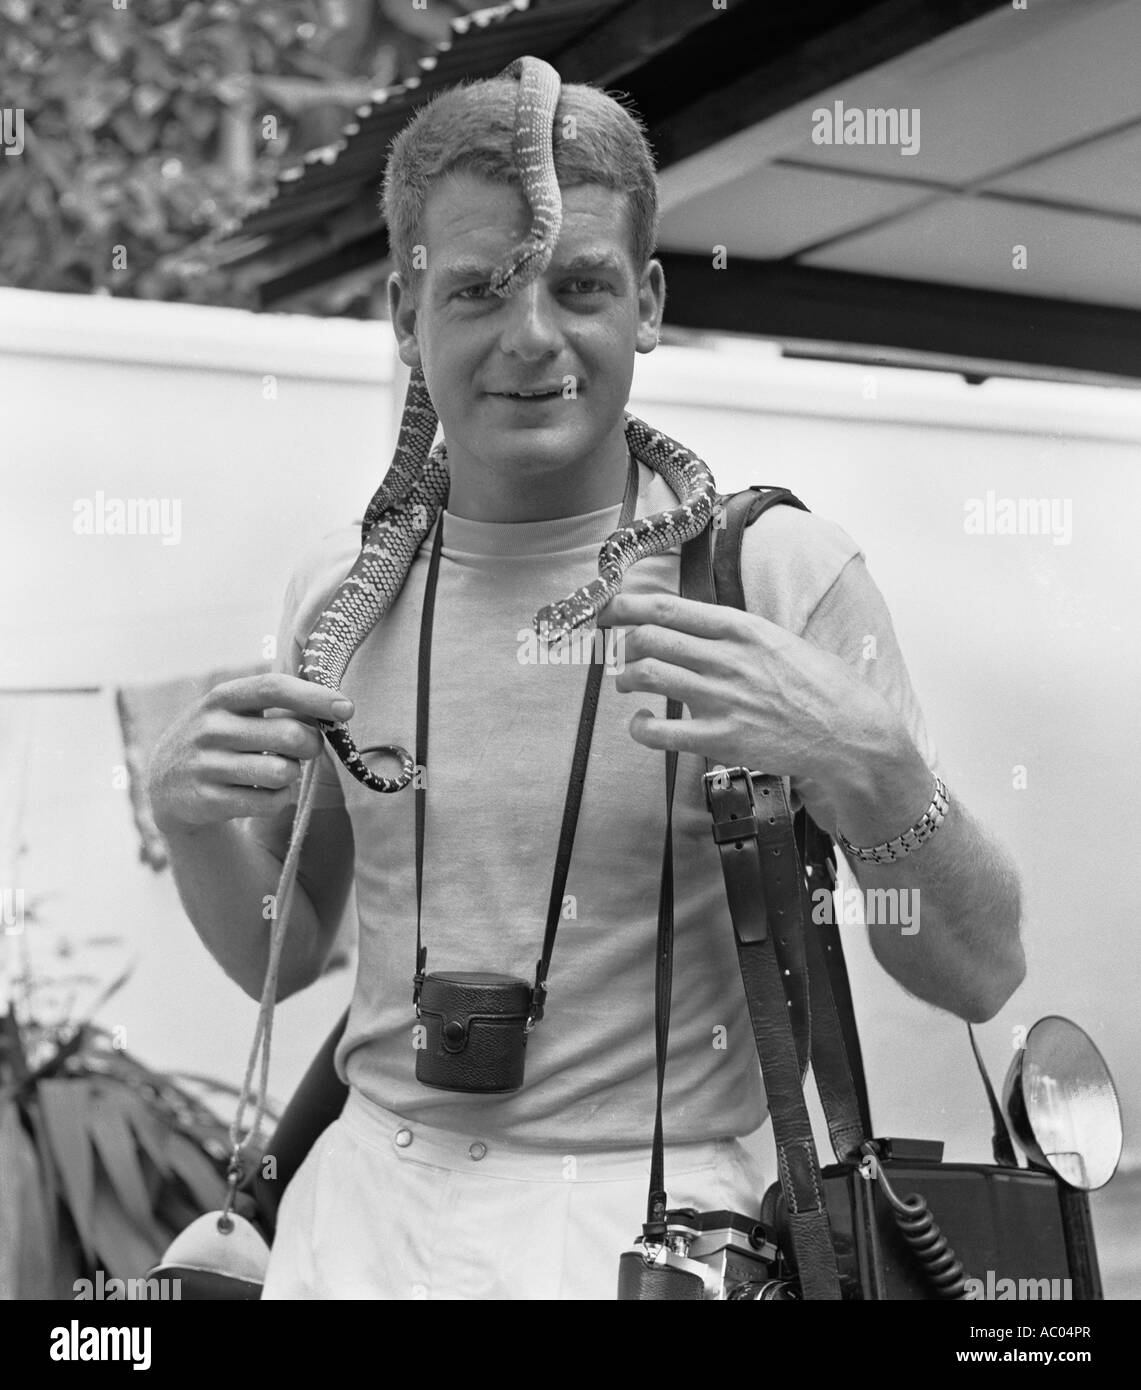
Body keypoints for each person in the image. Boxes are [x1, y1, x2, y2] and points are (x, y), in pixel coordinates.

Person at [147, 67, 1024, 1300]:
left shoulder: (770, 574)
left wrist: (863, 763)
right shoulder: (339, 597)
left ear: (649, 300)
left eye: (579, 284)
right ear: (406, 314)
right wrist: (184, 818)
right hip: (362, 1221)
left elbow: (978, 975)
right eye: (478, 290)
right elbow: (282, 957)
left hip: (659, 1231)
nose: (532, 336)